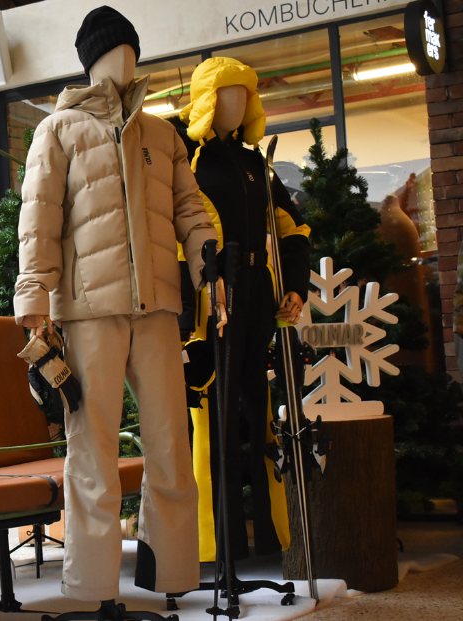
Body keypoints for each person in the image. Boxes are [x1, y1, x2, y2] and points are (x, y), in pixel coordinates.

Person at [14, 5, 218, 603]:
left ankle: (171, 575)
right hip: (87, 311)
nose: (124, 60)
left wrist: (209, 266)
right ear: (93, 58)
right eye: (113, 50)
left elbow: (190, 209)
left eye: (131, 49)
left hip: (157, 309)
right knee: (93, 451)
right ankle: (93, 586)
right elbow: (39, 219)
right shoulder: (59, 130)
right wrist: (33, 297)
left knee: (171, 445)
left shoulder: (162, 134)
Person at [177, 57, 312, 562]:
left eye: (245, 95)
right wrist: (187, 321)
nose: (237, 104)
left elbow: (292, 226)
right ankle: (219, 541)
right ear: (207, 100)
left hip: (258, 294)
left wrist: (295, 285)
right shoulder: (189, 161)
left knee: (261, 411)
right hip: (214, 298)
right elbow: (177, 238)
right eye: (226, 94)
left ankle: (274, 536)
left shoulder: (257, 164)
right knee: (214, 416)